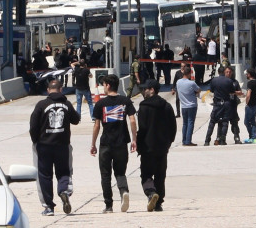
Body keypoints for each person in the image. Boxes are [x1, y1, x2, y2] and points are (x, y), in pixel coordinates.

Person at [29, 77, 80, 216]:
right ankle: (63, 191)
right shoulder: (67, 104)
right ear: (61, 89)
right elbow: (76, 120)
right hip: (62, 144)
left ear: (48, 90)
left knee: (45, 175)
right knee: (64, 172)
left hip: (44, 145)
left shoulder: (41, 104)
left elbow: (33, 125)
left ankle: (49, 207)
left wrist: (35, 141)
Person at [90, 75, 137, 213]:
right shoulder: (125, 101)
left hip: (106, 143)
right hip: (121, 142)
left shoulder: (100, 104)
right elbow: (133, 120)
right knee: (120, 172)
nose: (103, 88)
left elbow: (97, 126)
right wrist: (134, 139)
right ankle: (123, 192)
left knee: (105, 175)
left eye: (103, 85)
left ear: (108, 85)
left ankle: (109, 206)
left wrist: (93, 144)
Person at [136, 80, 176, 212]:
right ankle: (158, 203)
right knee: (160, 174)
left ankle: (151, 193)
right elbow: (173, 127)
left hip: (148, 147)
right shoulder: (167, 106)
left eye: (145, 89)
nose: (143, 92)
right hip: (162, 147)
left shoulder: (144, 107)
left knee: (146, 174)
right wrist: (169, 142)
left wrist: (139, 145)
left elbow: (142, 129)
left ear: (152, 90)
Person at [204, 67, 238, 145]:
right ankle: (222, 140)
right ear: (224, 72)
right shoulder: (229, 81)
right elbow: (232, 91)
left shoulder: (214, 80)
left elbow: (211, 90)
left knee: (212, 122)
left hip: (217, 103)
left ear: (218, 72)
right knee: (225, 122)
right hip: (226, 103)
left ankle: (207, 140)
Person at [173, 64, 201, 146]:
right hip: (192, 105)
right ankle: (188, 141)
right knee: (190, 123)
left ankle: (184, 140)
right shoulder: (191, 83)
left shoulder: (178, 82)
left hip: (183, 106)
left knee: (185, 123)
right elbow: (198, 89)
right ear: (189, 73)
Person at [242, 67, 256, 143]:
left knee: (246, 122)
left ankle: (251, 137)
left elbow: (248, 95)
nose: (246, 75)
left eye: (247, 74)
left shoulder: (250, 83)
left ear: (249, 74)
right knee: (253, 121)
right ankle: (254, 138)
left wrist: (246, 103)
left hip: (250, 106)